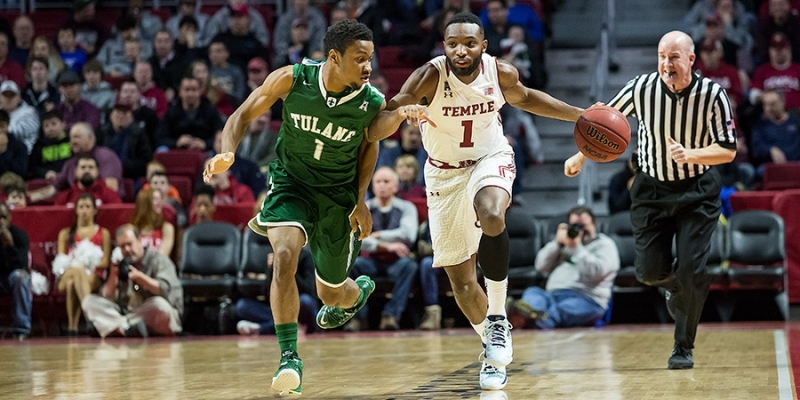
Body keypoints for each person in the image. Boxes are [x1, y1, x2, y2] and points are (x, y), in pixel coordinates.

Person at [365, 12, 584, 390]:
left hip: (489, 158)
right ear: (443, 46)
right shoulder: (428, 76)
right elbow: (376, 128)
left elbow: (530, 99)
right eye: (453, 43)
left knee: (492, 211)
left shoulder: (500, 74)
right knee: (462, 283)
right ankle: (492, 347)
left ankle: (498, 317)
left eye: (469, 43)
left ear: (483, 45)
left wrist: (581, 116)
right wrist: (401, 114)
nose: (461, 50)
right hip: (443, 173)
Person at [203, 20, 408, 395]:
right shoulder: (291, 79)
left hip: (337, 196)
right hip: (290, 183)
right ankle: (289, 357)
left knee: (331, 295)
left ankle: (355, 293)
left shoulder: (371, 101)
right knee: (284, 256)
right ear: (334, 56)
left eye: (371, 59)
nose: (368, 68)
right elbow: (242, 114)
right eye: (360, 59)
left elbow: (370, 143)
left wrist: (361, 199)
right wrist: (226, 152)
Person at [565, 31, 737, 370]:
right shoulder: (642, 88)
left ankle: (683, 347)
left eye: (673, 57)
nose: (666, 64)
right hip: (652, 189)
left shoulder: (713, 94)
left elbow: (728, 150)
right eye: (661, 56)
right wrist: (580, 156)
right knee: (648, 272)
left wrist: (691, 154)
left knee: (691, 269)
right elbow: (602, 122)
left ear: (690, 59)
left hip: (697, 191)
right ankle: (674, 288)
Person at [508, 206, 619, 329]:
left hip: (588, 299)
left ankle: (530, 320)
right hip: (552, 295)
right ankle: (532, 315)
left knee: (559, 310)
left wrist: (577, 248)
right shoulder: (564, 243)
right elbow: (540, 267)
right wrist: (557, 243)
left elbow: (596, 273)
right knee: (533, 293)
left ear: (594, 225)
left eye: (583, 226)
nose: (580, 231)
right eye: (575, 226)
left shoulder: (605, 244)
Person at [345, 167, 419, 332]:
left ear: (395, 186)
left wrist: (377, 235)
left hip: (396, 262)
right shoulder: (364, 209)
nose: (382, 185)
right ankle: (358, 317)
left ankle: (391, 315)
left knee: (410, 266)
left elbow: (408, 235)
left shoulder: (407, 208)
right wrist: (386, 245)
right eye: (378, 182)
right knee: (352, 265)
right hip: (371, 261)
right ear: (372, 186)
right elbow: (357, 239)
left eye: (387, 182)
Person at [81, 224, 183, 338]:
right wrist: (113, 276)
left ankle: (114, 326)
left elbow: (162, 289)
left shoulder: (159, 260)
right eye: (122, 246)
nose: (127, 250)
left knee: (160, 306)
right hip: (128, 313)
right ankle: (128, 328)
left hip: (151, 312)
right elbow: (108, 298)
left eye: (129, 244)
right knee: (88, 301)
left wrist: (140, 277)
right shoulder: (122, 264)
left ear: (139, 240)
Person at [54, 193, 111, 336]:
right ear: (76, 210)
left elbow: (104, 262)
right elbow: (60, 261)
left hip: (93, 275)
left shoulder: (103, 233)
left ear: (95, 210)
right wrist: (78, 265)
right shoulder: (65, 234)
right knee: (75, 273)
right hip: (68, 272)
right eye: (81, 207)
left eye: (88, 207)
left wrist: (88, 263)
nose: (84, 210)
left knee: (73, 283)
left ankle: (72, 328)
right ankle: (91, 318)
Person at [0, 202, 31, 340]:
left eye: (3, 217)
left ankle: (21, 329)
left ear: (10, 217)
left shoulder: (19, 235)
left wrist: (10, 245)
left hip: (10, 278)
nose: (0, 221)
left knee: (21, 277)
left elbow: (21, 265)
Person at [130, 188, 175, 257]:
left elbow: (162, 257)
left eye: (160, 199)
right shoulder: (131, 229)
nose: (160, 202)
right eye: (155, 199)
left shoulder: (167, 228)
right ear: (144, 203)